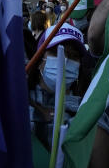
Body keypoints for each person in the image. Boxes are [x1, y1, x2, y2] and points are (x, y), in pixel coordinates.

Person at [29, 23, 90, 152]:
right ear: (40, 60)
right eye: (56, 52)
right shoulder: (18, 103)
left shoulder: (86, 111)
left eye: (73, 56)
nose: (65, 60)